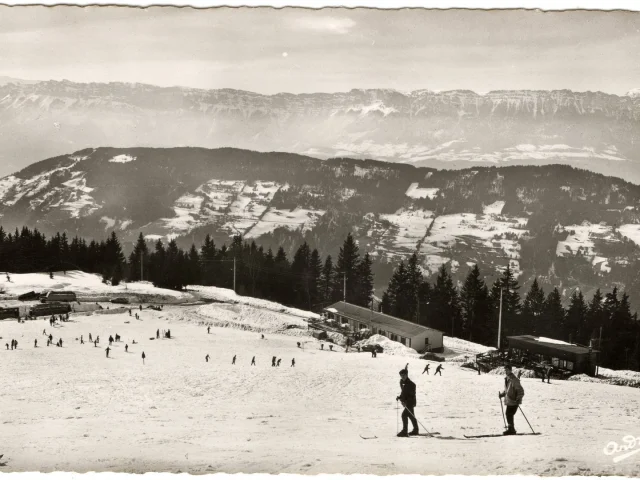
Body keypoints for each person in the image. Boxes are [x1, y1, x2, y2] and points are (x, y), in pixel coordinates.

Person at [499, 365, 525, 435]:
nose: (506, 371)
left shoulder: (514, 380)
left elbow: (521, 391)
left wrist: (518, 399)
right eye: (505, 370)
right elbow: (507, 390)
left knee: (509, 414)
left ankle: (511, 429)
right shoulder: (507, 379)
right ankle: (511, 429)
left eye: (507, 370)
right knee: (508, 414)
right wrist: (502, 394)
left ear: (510, 370)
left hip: (514, 401)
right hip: (509, 401)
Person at [396, 369, 419, 437]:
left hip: (410, 402)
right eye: (401, 375)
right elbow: (403, 392)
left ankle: (404, 431)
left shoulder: (411, 384)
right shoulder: (403, 383)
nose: (402, 376)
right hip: (407, 402)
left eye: (404, 375)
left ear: (407, 375)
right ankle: (415, 430)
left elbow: (411, 396)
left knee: (404, 415)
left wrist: (406, 402)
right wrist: (400, 397)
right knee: (411, 416)